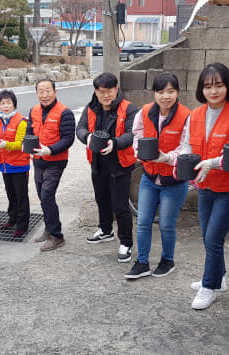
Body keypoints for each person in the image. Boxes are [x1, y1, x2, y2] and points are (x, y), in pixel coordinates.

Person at [186, 63, 229, 310]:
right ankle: (219, 278)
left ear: (228, 86)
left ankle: (208, 286)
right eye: (208, 86)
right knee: (208, 236)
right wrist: (176, 160)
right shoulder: (196, 114)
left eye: (219, 85)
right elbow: (188, 146)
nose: (213, 91)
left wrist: (210, 163)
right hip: (206, 187)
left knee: (213, 238)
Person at [125, 73, 191, 280]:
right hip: (150, 177)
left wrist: (168, 158)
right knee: (143, 221)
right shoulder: (145, 112)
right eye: (161, 92)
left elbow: (187, 146)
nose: (166, 96)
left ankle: (167, 260)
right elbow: (137, 133)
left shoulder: (186, 115)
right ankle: (142, 263)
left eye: (171, 91)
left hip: (174, 180)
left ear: (178, 92)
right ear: (154, 93)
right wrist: (139, 149)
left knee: (166, 224)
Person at [76, 72, 139, 262]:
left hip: (120, 163)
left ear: (116, 89)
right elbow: (81, 128)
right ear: (96, 91)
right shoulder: (91, 108)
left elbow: (132, 133)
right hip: (97, 162)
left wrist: (115, 143)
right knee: (101, 199)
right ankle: (105, 230)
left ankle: (126, 242)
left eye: (109, 91)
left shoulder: (128, 108)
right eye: (101, 91)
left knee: (120, 205)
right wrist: (87, 137)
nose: (105, 95)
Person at [28, 79, 75, 252]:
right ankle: (49, 228)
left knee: (47, 194)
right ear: (37, 93)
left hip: (56, 160)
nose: (45, 95)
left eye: (48, 91)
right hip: (38, 160)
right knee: (42, 195)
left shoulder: (65, 113)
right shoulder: (33, 110)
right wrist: (28, 146)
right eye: (41, 91)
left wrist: (50, 150)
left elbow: (68, 139)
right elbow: (29, 132)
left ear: (55, 92)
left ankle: (57, 236)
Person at [0, 90, 30, 237]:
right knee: (11, 194)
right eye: (3, 103)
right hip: (4, 164)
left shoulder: (21, 121)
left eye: (9, 103)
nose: (6, 106)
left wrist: (5, 144)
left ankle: (22, 225)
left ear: (14, 104)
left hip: (19, 164)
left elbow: (20, 143)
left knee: (21, 196)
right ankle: (12, 218)